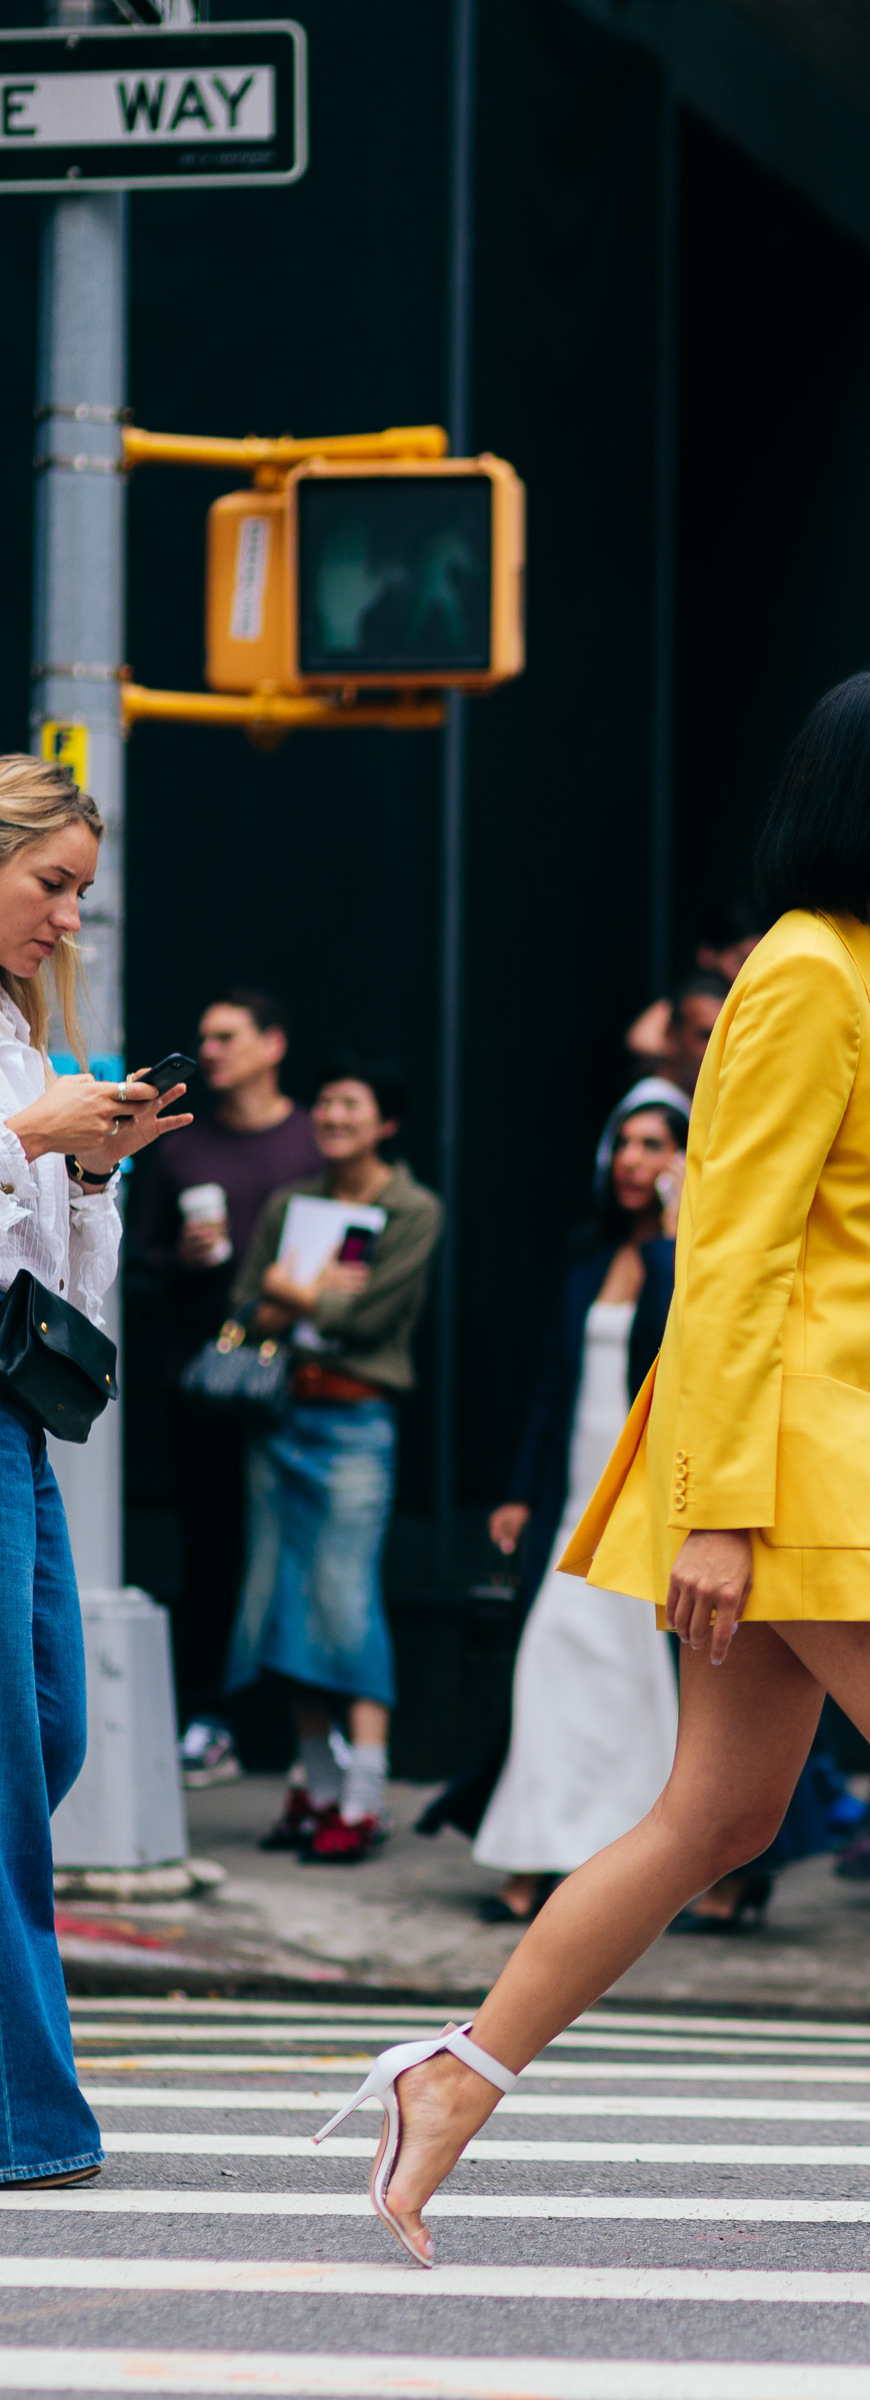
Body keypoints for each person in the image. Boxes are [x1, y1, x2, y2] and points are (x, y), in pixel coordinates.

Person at [312, 668, 870, 2287]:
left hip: (841, 1463)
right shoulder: (804, 979)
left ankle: (452, 2079)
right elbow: (726, 1264)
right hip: (796, 1476)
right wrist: (719, 1508)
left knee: (719, 1813)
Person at [0, 754, 192, 2188]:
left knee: (51, 1731)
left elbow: (56, 1278)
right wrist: (27, 1140)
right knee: (9, 1765)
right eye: (50, 884)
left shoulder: (16, 1032)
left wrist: (85, 1170)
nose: (70, 918)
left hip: (16, 1414)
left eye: (78, 891)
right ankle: (27, 2125)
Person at [470, 1082, 686, 1923]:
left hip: (653, 1500)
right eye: (625, 1144)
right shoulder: (586, 1253)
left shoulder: (693, 1257)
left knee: (640, 1681)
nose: (635, 1161)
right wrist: (521, 1490)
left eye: (655, 1146)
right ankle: (538, 1851)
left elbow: (686, 1343)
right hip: (576, 1497)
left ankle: (628, 1870)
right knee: (552, 1660)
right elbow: (553, 1385)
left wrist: (674, 1235)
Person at [223, 1054, 443, 1862]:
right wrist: (299, 1298)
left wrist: (297, 1293)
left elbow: (371, 1319)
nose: (333, 1116)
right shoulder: (292, 1201)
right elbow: (249, 1299)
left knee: (346, 1599)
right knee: (279, 1600)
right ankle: (317, 1786)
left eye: (351, 1104)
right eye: (324, 1103)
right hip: (282, 1416)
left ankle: (366, 1791)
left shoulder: (413, 1208)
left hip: (356, 1424)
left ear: (385, 1121)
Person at [130, 988, 321, 1785]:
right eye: (203, 1038)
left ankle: (306, 1733)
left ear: (273, 1044)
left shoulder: (316, 1141)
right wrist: (188, 1259)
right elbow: (136, 1265)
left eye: (227, 1036)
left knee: (304, 1550)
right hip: (201, 1377)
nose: (209, 1051)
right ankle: (210, 1718)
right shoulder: (181, 1149)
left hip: (302, 1378)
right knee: (210, 1549)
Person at [623, 970, 731, 1099]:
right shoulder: (655, 1112)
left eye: (725, 1037)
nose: (718, 1048)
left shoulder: (686, 1100)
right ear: (671, 1036)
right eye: (706, 1036)